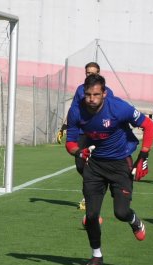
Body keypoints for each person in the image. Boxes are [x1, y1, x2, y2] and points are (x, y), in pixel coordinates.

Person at [64, 73, 153, 265]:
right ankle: (96, 255)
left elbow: (149, 126)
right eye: (88, 95)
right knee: (91, 214)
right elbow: (70, 141)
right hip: (94, 165)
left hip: (121, 164)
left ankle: (134, 221)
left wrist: (144, 156)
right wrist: (79, 152)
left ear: (104, 94)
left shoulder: (118, 107)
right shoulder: (76, 111)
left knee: (121, 212)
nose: (91, 99)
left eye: (96, 94)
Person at [57, 62, 114, 210]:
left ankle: (88, 197)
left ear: (99, 73)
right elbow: (73, 109)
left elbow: (111, 112)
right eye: (88, 73)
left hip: (98, 133)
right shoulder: (80, 90)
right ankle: (97, 185)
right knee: (80, 165)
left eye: (93, 73)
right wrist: (65, 126)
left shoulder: (107, 91)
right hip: (81, 132)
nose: (90, 75)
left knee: (92, 167)